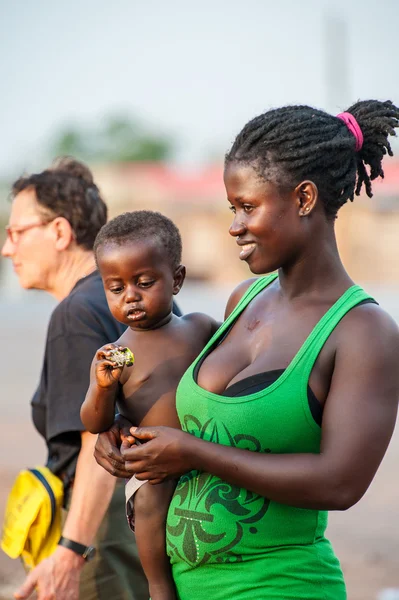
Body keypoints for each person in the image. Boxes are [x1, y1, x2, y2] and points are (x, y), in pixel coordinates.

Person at [94, 100, 399, 600]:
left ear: (303, 198)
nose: (234, 225)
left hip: (280, 586)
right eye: (232, 208)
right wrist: (124, 431)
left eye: (247, 207)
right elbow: (188, 411)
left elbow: (340, 483)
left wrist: (192, 452)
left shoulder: (363, 331)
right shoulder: (243, 300)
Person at [1, 158, 168, 600]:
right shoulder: (131, 300)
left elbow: (95, 440)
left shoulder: (74, 314)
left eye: (16, 233)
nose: (6, 248)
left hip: (106, 524)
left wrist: (71, 550)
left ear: (59, 233)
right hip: (156, 505)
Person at [80, 210, 219, 600]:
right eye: (116, 288)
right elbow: (93, 420)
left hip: (205, 448)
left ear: (176, 279)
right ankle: (159, 587)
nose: (131, 297)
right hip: (153, 461)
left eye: (144, 283)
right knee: (150, 502)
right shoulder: (114, 355)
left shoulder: (200, 327)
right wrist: (104, 388)